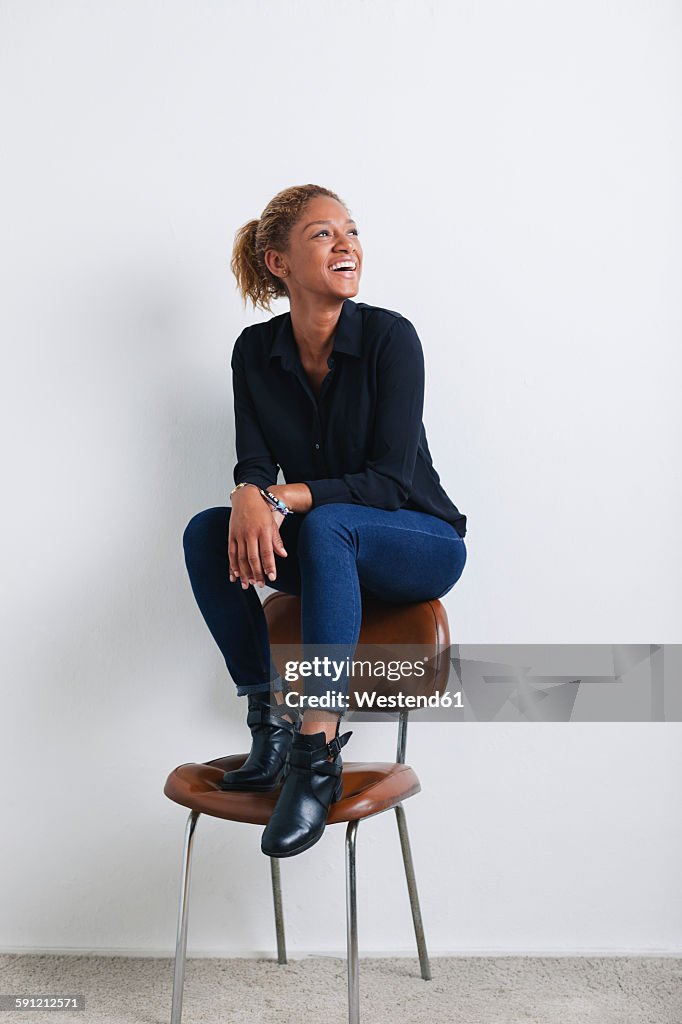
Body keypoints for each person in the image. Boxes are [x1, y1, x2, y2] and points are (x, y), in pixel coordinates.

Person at [182, 184, 468, 859]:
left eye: (352, 231)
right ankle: (271, 726)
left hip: (417, 541)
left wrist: (279, 497)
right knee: (205, 530)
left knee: (332, 520)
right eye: (322, 234)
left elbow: (389, 481)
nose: (347, 244)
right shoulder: (255, 353)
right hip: (327, 550)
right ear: (278, 262)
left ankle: (315, 752)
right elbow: (253, 462)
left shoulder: (391, 338)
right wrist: (249, 490)